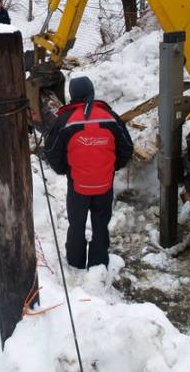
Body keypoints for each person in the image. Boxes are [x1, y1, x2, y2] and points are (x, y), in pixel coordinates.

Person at [44, 76, 134, 269]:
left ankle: (75, 263)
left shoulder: (64, 121)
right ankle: (98, 263)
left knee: (76, 224)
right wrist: (111, 167)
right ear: (91, 93)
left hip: (78, 185)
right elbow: (127, 148)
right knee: (100, 224)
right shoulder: (110, 117)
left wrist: (65, 169)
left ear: (72, 96)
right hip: (104, 184)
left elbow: (51, 151)